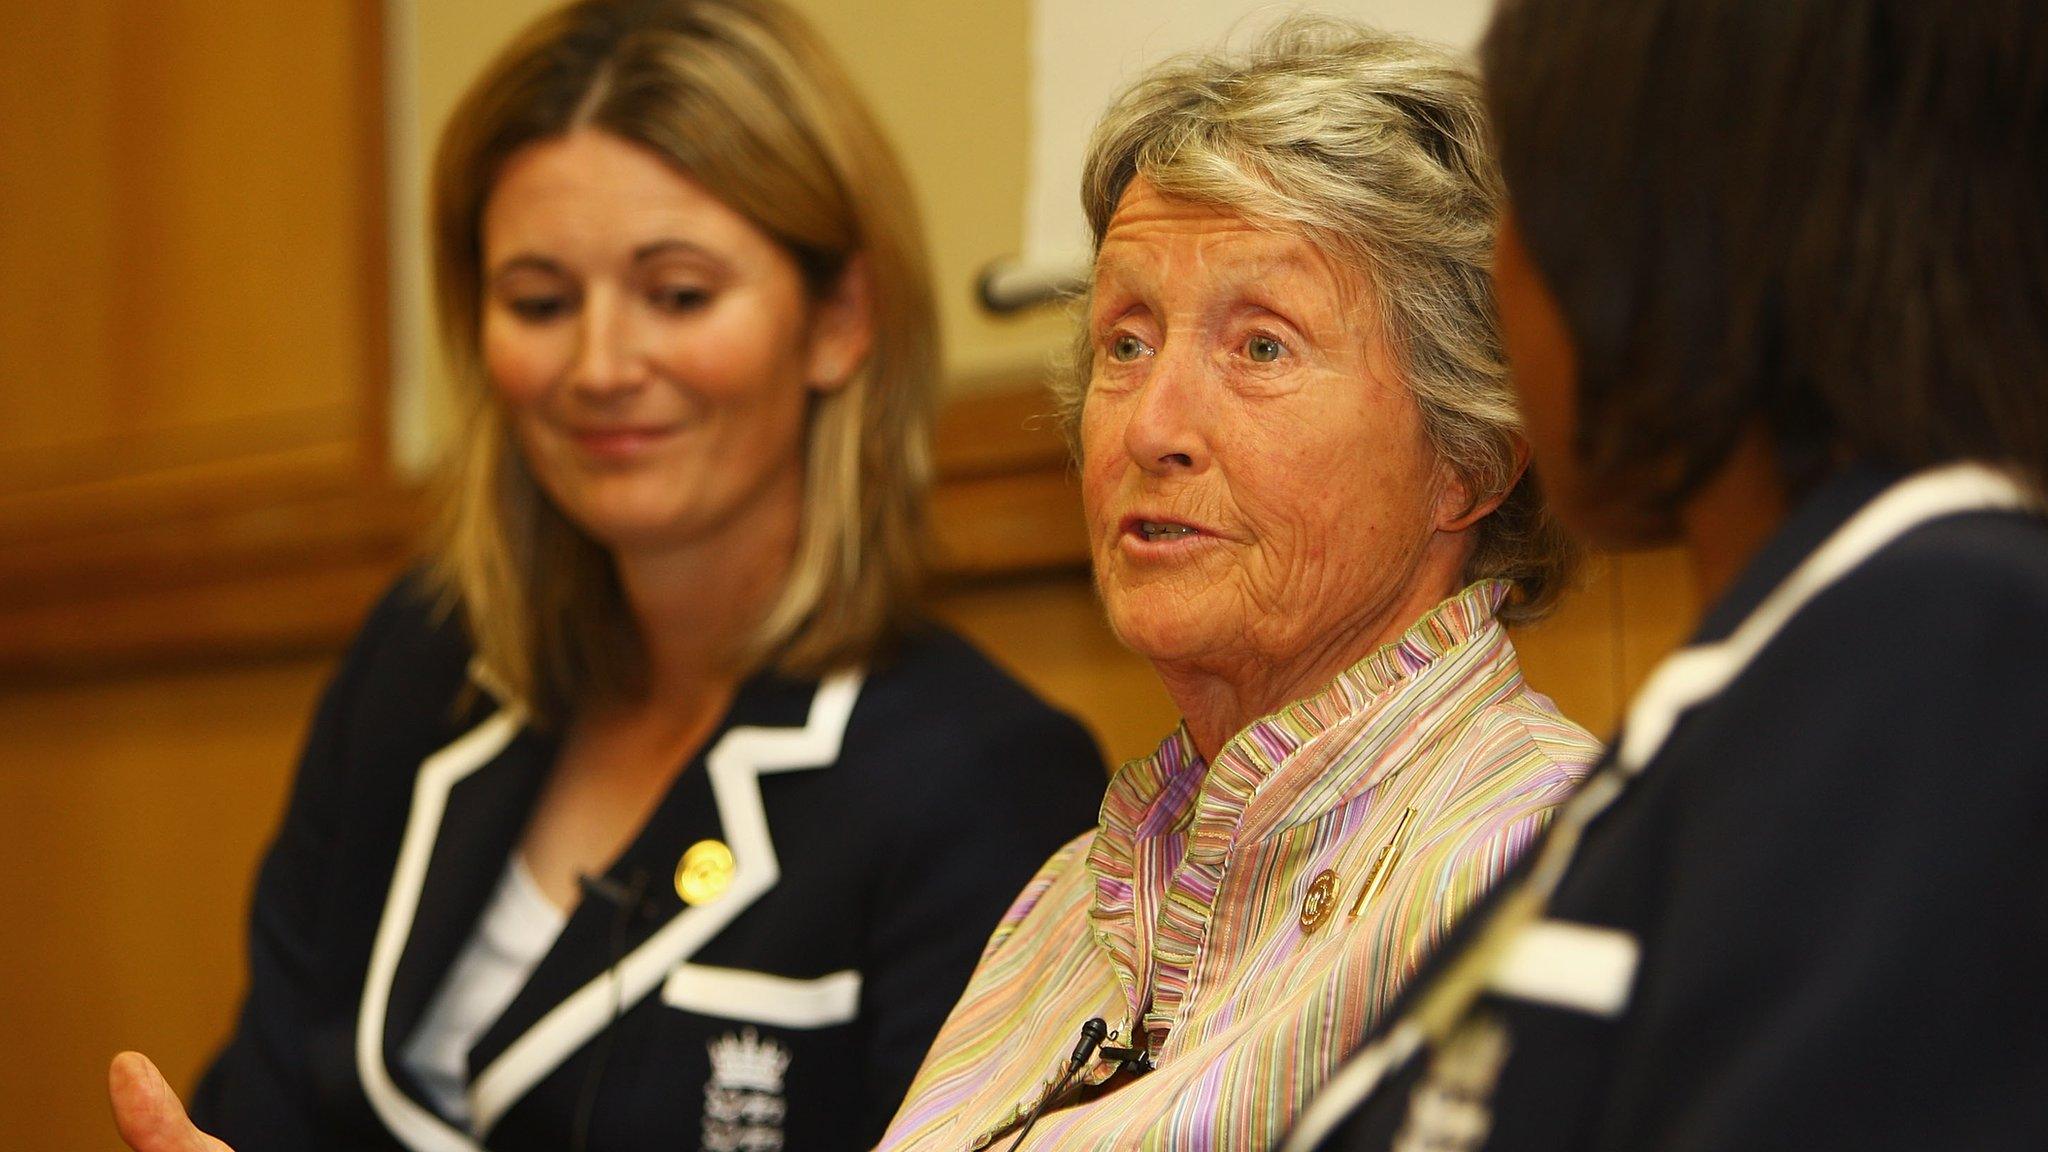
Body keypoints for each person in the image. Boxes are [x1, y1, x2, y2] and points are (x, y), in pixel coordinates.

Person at [105, 2, 1106, 1150]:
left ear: (839, 318)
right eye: (538, 302)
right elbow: (269, 1093)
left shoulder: (981, 782)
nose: (597, 366)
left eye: (676, 294)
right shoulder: (424, 658)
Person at [1286, 1, 2048, 1149]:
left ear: (1638, 236)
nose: (1500, 277)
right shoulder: (1796, 666)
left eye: (1524, 202)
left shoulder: (1940, 642)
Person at [872, 22, 1599, 1151]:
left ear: (1468, 455)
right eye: (1124, 342)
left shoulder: (1537, 868)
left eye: (1260, 348)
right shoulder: (1071, 897)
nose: (1150, 426)